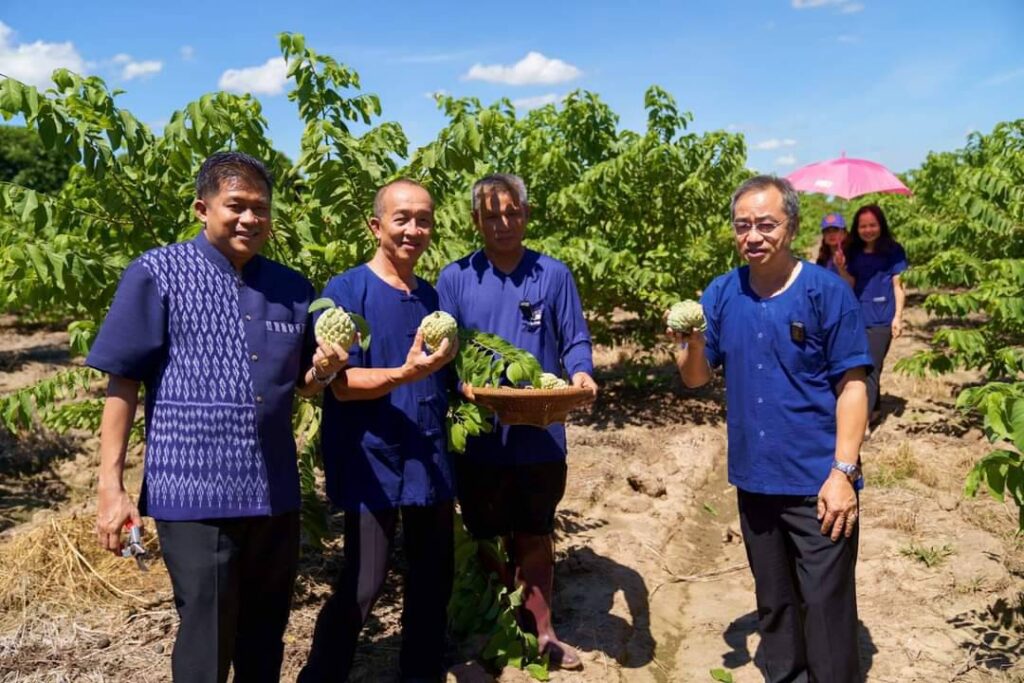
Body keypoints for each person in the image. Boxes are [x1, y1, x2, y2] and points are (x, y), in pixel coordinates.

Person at [88, 151, 349, 682]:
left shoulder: (292, 288)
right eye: (236, 205)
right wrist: (110, 486)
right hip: (193, 492)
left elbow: (302, 383)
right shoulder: (157, 273)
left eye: (261, 208)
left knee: (264, 636)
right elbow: (123, 380)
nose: (250, 218)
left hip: (274, 492)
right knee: (208, 637)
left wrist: (323, 371)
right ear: (202, 208)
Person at [673, 176, 871, 683]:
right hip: (755, 479)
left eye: (766, 224)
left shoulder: (826, 292)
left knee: (825, 608)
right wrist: (690, 343)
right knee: (776, 603)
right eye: (743, 226)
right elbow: (696, 378)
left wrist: (843, 472)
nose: (753, 235)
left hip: (818, 483)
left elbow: (853, 386)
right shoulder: (722, 293)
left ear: (792, 227)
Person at [436, 173, 598, 671]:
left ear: (526, 215)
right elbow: (445, 348)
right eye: (491, 215)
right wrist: (461, 383)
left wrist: (582, 372)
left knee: (534, 530)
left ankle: (541, 632)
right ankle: (495, 629)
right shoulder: (455, 278)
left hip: (540, 434)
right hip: (480, 434)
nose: (503, 223)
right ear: (475, 220)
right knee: (485, 532)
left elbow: (574, 338)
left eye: (512, 213)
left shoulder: (552, 275)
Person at [299, 179, 458, 683]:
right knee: (365, 582)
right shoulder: (347, 292)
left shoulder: (431, 297)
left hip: (427, 454)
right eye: (402, 218)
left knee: (434, 574)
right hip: (373, 459)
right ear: (376, 225)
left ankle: (421, 672)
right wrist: (406, 374)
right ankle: (321, 677)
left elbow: (446, 378)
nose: (414, 229)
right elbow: (342, 385)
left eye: (424, 220)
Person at [844, 204, 908, 426]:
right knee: (865, 366)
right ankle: (875, 410)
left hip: (882, 318)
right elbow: (850, 284)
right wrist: (841, 267)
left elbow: (899, 285)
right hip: (858, 316)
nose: (868, 230)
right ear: (856, 228)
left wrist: (898, 316)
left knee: (869, 368)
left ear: (881, 225)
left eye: (872, 225)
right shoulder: (853, 251)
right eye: (863, 226)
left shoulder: (893, 251)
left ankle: (861, 423)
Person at [815, 212, 854, 286]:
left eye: (835, 230)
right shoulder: (822, 259)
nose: (831, 234)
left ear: (844, 233)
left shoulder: (853, 255)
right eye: (827, 231)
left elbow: (851, 285)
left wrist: (841, 268)